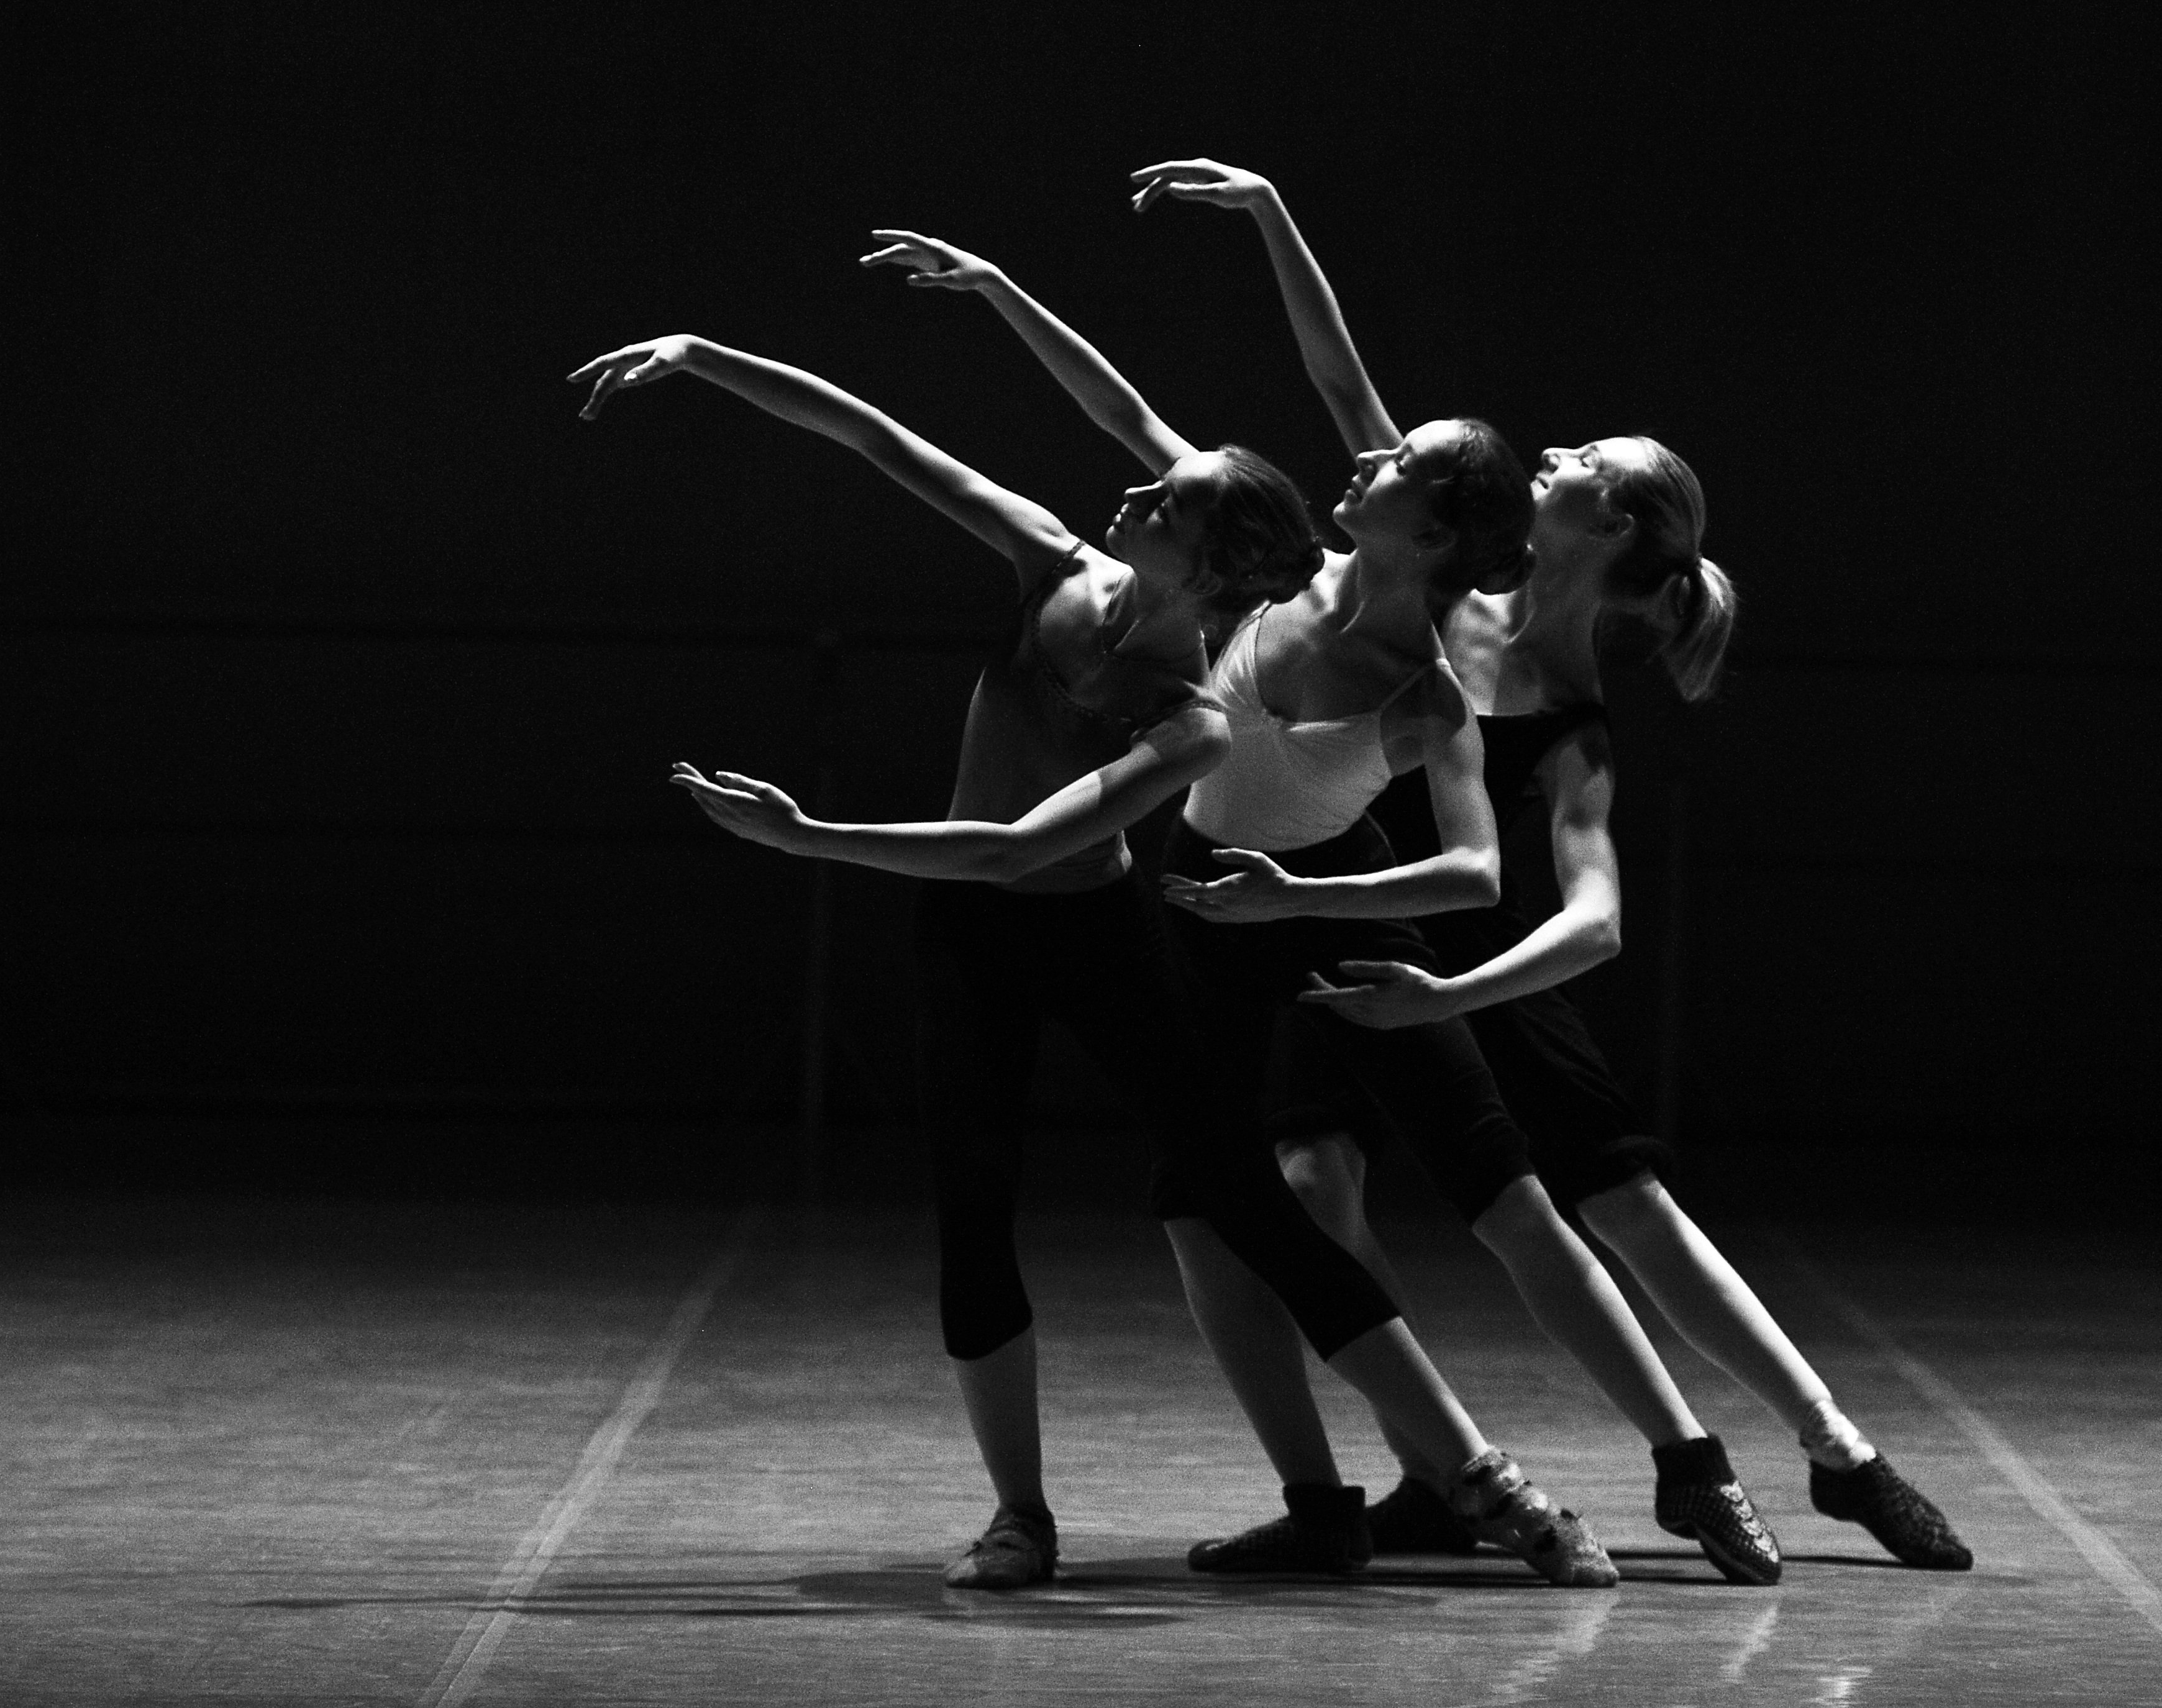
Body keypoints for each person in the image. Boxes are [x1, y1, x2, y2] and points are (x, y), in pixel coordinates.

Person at [571, 232, 1616, 1591]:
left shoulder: (1188, 717)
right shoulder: (1053, 560)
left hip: (1094, 931)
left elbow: (1019, 850)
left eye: (1164, 500)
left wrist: (810, 834)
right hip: (973, 937)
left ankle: (1483, 1480)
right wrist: (706, 357)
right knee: (973, 1202)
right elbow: (887, 442)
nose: (1131, 489)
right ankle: (1022, 1512)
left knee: (1242, 1195)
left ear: (1205, 557)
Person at [1131, 155, 1974, 1576]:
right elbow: (1343, 389)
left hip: (1481, 959)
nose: (1550, 456)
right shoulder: (1441, 592)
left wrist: (1453, 988)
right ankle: (1423, 1467)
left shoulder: (1571, 721)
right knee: (1309, 1172)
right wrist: (1274, 215)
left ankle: (1829, 1452)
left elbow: (1588, 921)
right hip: (1361, 918)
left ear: (1615, 525)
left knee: (1611, 1203)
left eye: (1579, 464)